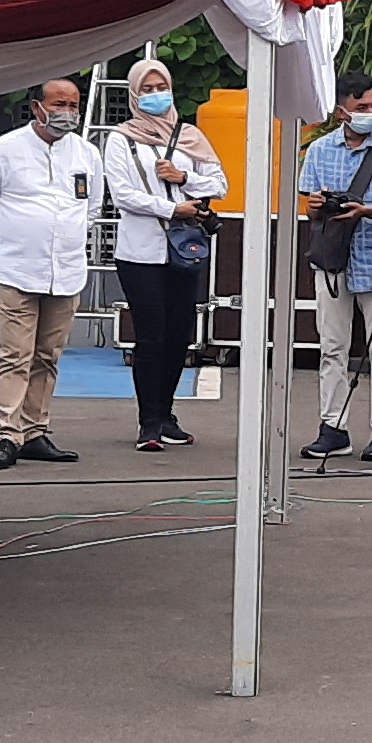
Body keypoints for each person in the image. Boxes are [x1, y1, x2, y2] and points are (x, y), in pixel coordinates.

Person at [0, 79, 101, 471]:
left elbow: (90, 209)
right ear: (37, 106)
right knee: (14, 356)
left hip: (68, 272)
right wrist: (21, 234)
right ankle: (7, 435)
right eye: (59, 104)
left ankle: (35, 430)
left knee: (48, 356)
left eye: (74, 105)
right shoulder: (3, 151)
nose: (68, 113)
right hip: (18, 270)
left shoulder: (87, 154)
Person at [105, 58, 228, 454]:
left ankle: (169, 414)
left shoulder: (189, 135)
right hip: (140, 252)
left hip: (183, 249)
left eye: (162, 87)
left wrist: (184, 178)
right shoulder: (121, 139)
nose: (157, 95)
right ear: (134, 94)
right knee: (151, 333)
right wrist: (174, 208)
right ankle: (148, 421)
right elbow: (123, 194)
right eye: (149, 88)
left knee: (179, 333)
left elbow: (220, 184)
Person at [297, 73, 372, 461]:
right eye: (362, 108)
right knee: (332, 347)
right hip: (332, 260)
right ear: (341, 111)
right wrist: (315, 207)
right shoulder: (319, 150)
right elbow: (310, 205)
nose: (371, 114)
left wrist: (366, 211)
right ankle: (332, 427)